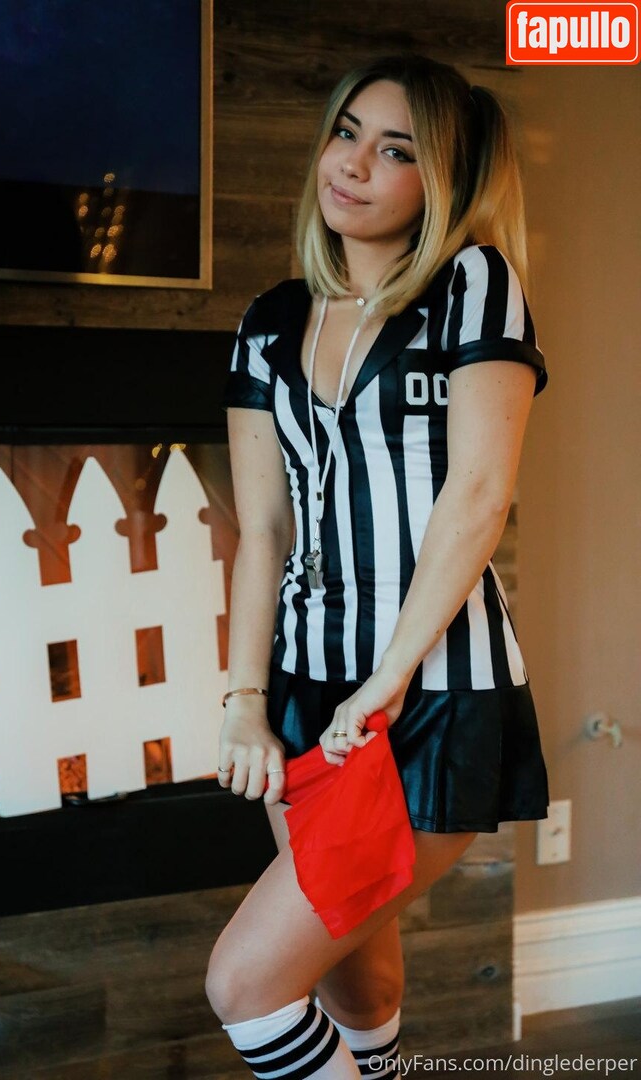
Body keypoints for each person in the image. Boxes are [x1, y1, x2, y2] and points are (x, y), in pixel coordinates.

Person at [206, 51, 550, 1078]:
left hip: (432, 697)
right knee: (357, 979)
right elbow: (262, 530)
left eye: (396, 151)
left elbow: (477, 495)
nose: (352, 164)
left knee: (246, 984)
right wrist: (244, 699)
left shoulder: (474, 288)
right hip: (307, 698)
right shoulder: (269, 322)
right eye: (346, 133)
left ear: (442, 182)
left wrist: (388, 677)